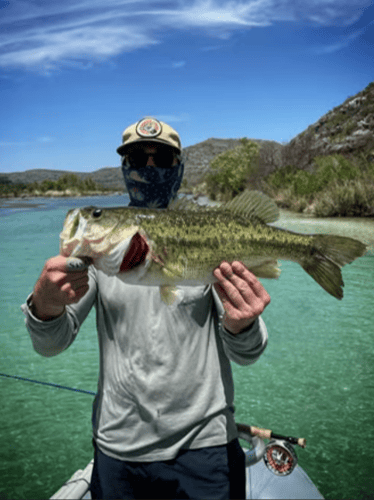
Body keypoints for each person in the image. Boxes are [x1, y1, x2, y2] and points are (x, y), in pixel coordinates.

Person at [21, 117, 271, 499]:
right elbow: (51, 345)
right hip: (120, 449)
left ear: (180, 168)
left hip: (207, 447)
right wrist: (45, 304)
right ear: (124, 168)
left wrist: (243, 325)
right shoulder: (97, 257)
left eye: (163, 160)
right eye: (138, 157)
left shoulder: (207, 235)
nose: (149, 168)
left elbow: (248, 353)